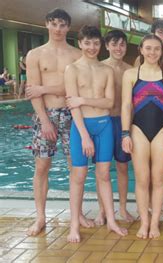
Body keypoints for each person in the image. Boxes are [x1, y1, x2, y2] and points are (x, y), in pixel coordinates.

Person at [64, 25, 127, 243]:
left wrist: (83, 100)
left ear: (101, 45)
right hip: (82, 128)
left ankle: (111, 220)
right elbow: (73, 107)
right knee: (78, 176)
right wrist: (84, 136)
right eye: (87, 43)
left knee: (103, 175)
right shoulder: (71, 69)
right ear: (80, 43)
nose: (92, 47)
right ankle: (74, 225)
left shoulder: (106, 70)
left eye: (96, 43)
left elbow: (109, 103)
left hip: (104, 125)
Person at [25, 9, 85, 236]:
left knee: (75, 166)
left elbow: (75, 89)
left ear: (68, 28)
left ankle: (77, 214)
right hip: (45, 115)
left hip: (71, 114)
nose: (58, 29)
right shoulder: (35, 55)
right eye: (54, 24)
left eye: (63, 25)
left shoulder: (77, 54)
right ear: (47, 25)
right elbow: (33, 92)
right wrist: (45, 121)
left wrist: (44, 88)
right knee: (42, 166)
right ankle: (40, 216)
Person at [122, 34, 163, 238]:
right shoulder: (130, 74)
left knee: (159, 177)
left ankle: (154, 223)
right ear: (141, 50)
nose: (152, 52)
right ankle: (143, 222)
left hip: (162, 130)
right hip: (138, 130)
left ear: (162, 51)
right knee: (142, 179)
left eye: (156, 48)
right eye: (148, 48)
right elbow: (126, 106)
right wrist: (125, 133)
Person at [93, 30, 134, 225]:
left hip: (123, 123)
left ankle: (123, 208)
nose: (118, 48)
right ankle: (102, 210)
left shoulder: (131, 69)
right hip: (104, 121)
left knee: (123, 167)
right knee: (102, 169)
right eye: (114, 44)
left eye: (122, 45)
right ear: (107, 46)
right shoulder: (99, 68)